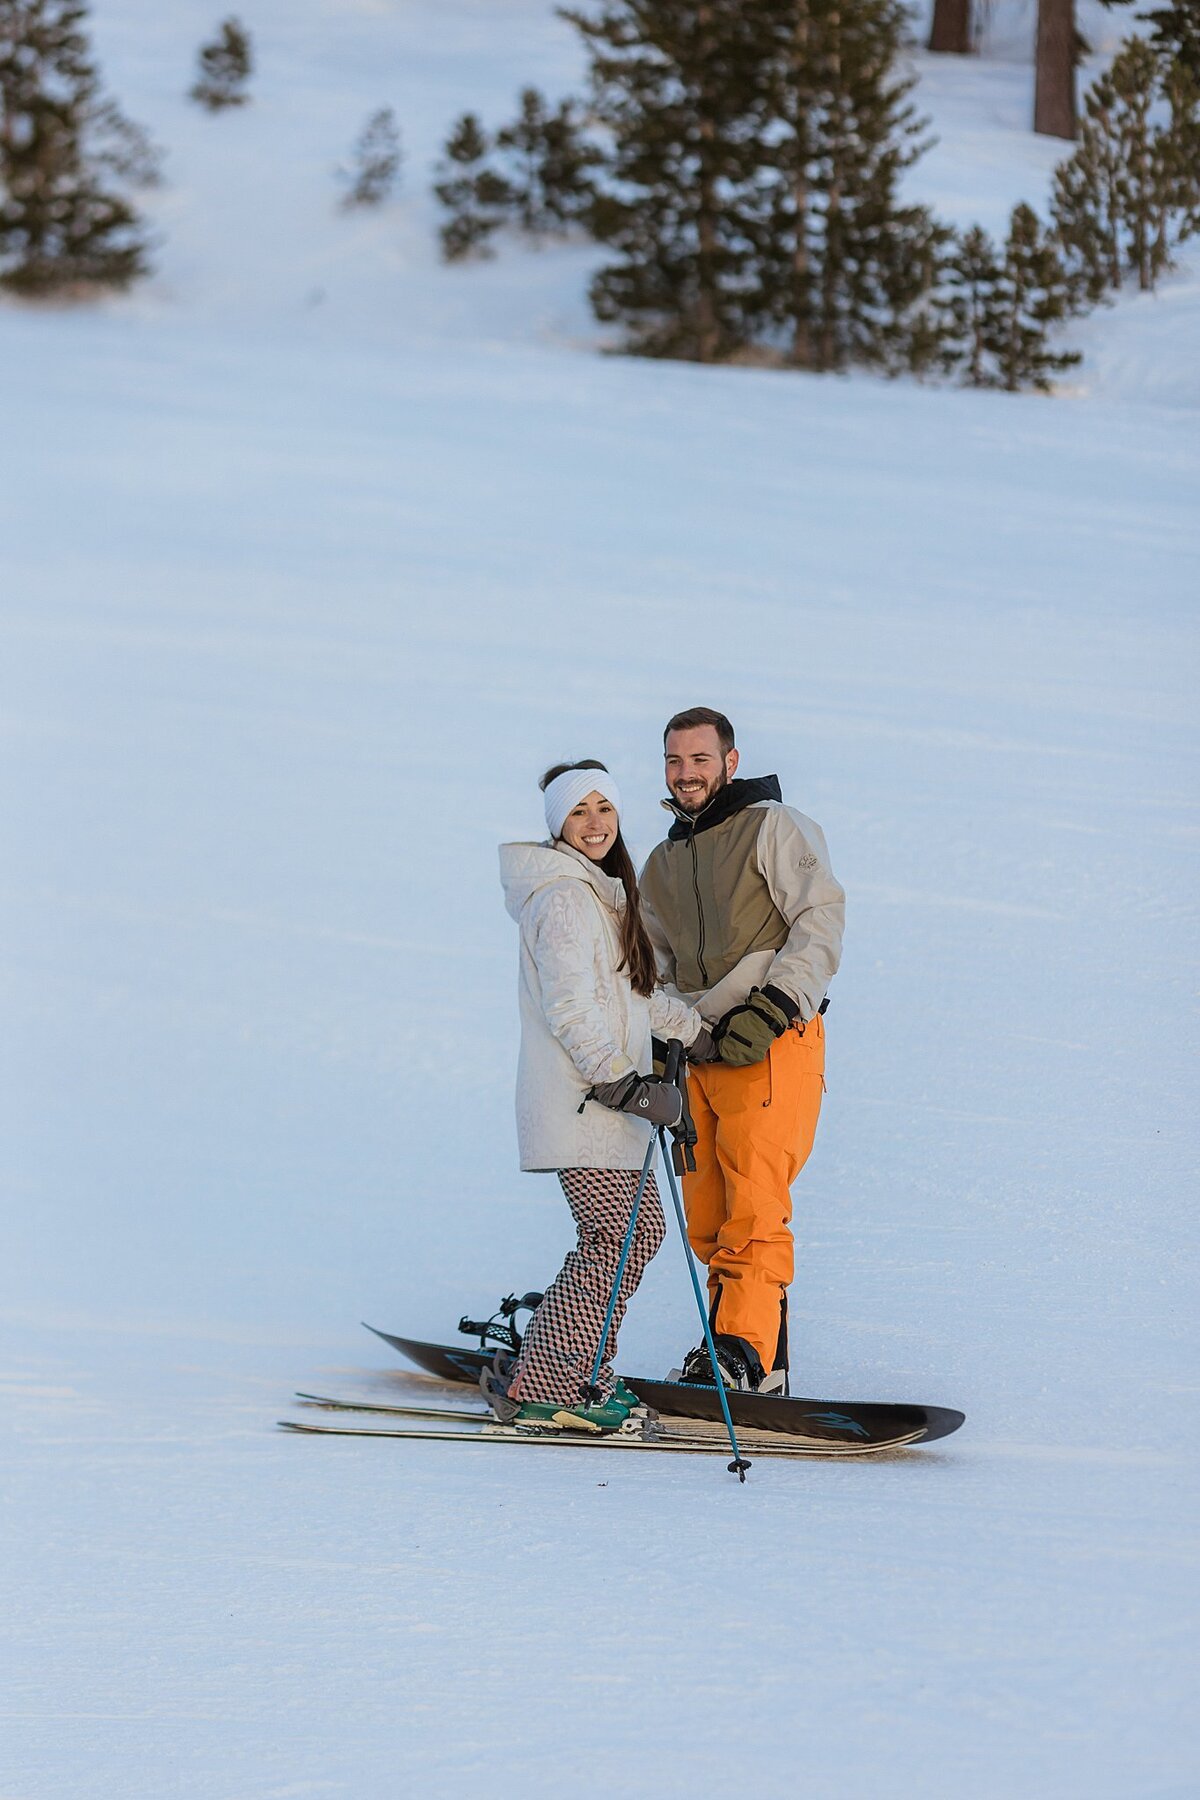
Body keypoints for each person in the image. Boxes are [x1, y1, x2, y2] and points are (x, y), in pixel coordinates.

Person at [497, 759, 711, 1434]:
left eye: (605, 809)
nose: (594, 823)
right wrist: (615, 1077)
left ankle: (570, 1368)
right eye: (579, 811)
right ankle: (553, 1383)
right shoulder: (562, 898)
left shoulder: (606, 894)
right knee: (614, 1235)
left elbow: (632, 996)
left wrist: (697, 1031)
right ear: (558, 823)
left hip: (614, 1104)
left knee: (632, 1234)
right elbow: (571, 1006)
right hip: (586, 1098)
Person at [639, 708, 845, 1394]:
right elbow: (655, 966)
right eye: (674, 761)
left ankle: (741, 1353)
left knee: (756, 1206)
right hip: (701, 1053)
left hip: (769, 1041)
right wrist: (666, 1033)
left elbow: (818, 918)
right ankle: (753, 1358)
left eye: (699, 758)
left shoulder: (772, 826)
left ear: (729, 761)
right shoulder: (664, 861)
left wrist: (777, 1005)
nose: (686, 772)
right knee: (710, 1218)